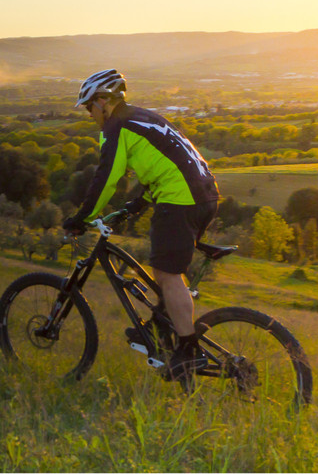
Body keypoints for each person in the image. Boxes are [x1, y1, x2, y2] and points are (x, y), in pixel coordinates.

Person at [63, 69, 219, 379]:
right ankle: (162, 332)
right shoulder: (145, 116)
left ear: (103, 101)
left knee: (169, 275)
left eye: (89, 107)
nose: (89, 114)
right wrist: (135, 205)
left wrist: (81, 218)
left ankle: (188, 351)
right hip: (205, 195)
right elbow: (167, 163)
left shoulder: (116, 127)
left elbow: (106, 178)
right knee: (163, 271)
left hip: (179, 200)